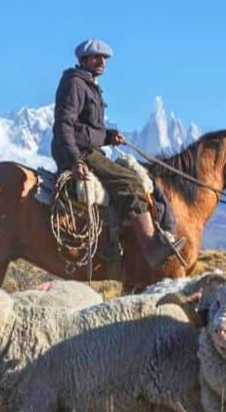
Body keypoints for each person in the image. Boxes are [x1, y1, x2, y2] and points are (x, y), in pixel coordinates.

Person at [50, 39, 185, 268]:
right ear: (83, 60)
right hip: (80, 152)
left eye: (104, 58)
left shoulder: (88, 84)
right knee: (128, 180)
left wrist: (109, 136)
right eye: (96, 57)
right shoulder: (75, 84)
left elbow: (88, 128)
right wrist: (74, 160)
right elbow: (64, 124)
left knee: (141, 175)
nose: (102, 62)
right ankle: (151, 248)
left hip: (89, 149)